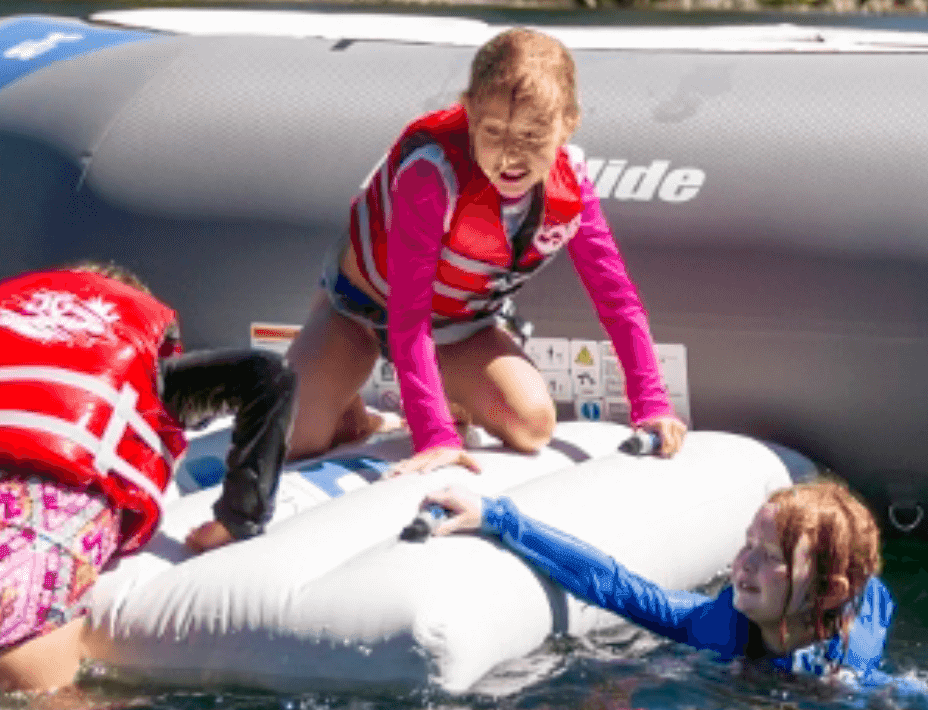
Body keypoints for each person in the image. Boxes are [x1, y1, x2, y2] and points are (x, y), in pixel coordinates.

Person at [286, 26, 687, 477]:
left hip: (458, 329)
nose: (510, 157)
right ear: (470, 112)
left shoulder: (571, 182)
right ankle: (351, 409)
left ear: (568, 124)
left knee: (533, 425)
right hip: (359, 312)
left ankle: (449, 395)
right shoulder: (432, 174)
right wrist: (434, 437)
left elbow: (616, 299)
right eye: (494, 132)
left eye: (532, 135)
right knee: (292, 440)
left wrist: (652, 404)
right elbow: (408, 314)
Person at [0, 262, 297, 692]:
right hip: (22, 570)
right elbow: (268, 375)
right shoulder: (144, 370)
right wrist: (237, 519)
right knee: (57, 706)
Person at [424, 476, 894, 683]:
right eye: (747, 544)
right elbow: (615, 585)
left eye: (770, 556)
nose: (744, 563)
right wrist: (498, 517)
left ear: (828, 591)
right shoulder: (708, 622)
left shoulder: (846, 667)